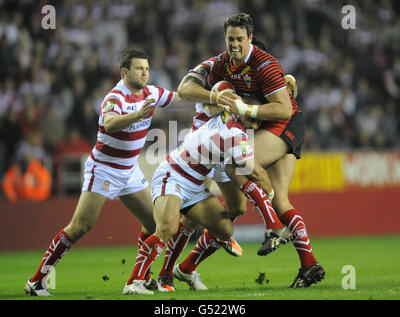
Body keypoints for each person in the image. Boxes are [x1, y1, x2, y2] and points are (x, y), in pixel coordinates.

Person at [177, 13, 325, 288]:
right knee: (276, 200)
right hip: (260, 128)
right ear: (225, 39)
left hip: (285, 122)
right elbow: (185, 89)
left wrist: (246, 109)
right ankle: (309, 265)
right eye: (230, 39)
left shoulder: (265, 64)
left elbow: (281, 108)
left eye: (239, 39)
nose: (234, 44)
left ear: (250, 39)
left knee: (238, 166)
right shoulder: (220, 64)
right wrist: (217, 98)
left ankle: (271, 223)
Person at [24, 48, 179, 296]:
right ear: (125, 71)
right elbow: (109, 122)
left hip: (129, 170)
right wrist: (136, 115)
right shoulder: (115, 98)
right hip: (104, 170)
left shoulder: (151, 92)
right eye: (140, 68)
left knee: (154, 223)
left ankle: (139, 280)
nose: (145, 73)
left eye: (147, 69)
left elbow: (179, 97)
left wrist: (211, 96)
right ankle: (37, 280)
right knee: (81, 226)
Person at [123, 109, 286, 294]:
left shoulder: (226, 113)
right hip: (173, 175)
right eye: (253, 120)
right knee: (167, 228)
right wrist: (270, 197)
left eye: (258, 122)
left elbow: (222, 91)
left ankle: (175, 273)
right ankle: (134, 282)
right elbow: (257, 174)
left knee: (225, 230)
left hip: (195, 184)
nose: (255, 125)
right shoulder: (236, 135)